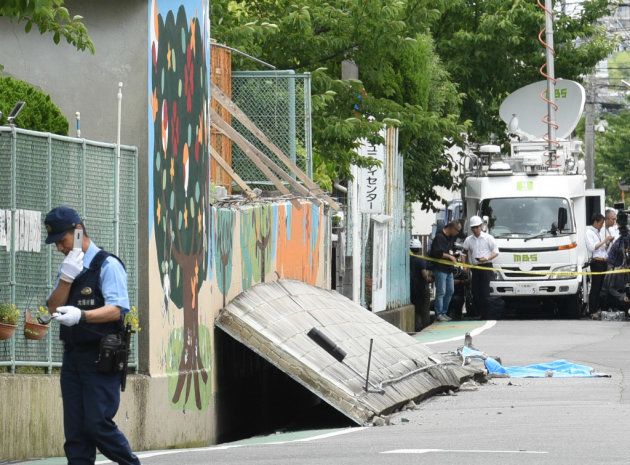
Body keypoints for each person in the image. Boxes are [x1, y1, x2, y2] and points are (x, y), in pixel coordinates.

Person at [44, 206, 140, 465]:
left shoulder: (107, 265)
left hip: (100, 358)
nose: (59, 248)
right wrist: (66, 278)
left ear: (77, 232)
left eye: (62, 241)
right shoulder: (69, 268)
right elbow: (52, 307)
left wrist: (82, 315)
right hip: (73, 359)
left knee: (97, 424)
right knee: (75, 434)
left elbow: (117, 309)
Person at [462, 215, 499, 320]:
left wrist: (486, 258)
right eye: (473, 227)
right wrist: (465, 266)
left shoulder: (488, 238)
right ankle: (478, 313)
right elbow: (463, 253)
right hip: (475, 267)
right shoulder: (468, 240)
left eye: (477, 227)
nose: (475, 229)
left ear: (481, 226)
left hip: (486, 266)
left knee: (485, 291)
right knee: (475, 291)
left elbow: (496, 252)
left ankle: (486, 314)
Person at [430, 220, 462, 322]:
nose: (457, 233)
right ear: (452, 228)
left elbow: (450, 250)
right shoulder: (439, 237)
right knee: (441, 291)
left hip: (449, 269)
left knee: (450, 291)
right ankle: (438, 313)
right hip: (440, 268)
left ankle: (444, 312)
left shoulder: (451, 238)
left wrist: (454, 255)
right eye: (457, 230)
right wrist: (449, 256)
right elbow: (435, 253)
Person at [585, 212, 613, 319]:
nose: (602, 225)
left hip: (602, 261)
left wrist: (608, 243)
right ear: (595, 222)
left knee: (600, 287)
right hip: (596, 262)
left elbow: (601, 249)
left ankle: (597, 308)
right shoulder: (589, 232)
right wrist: (604, 241)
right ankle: (592, 310)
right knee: (595, 287)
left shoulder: (597, 232)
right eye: (601, 223)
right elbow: (592, 248)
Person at [409, 238, 433, 330]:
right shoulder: (421, 260)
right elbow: (425, 276)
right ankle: (425, 327)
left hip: (412, 288)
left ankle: (416, 326)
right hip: (422, 288)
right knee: (424, 309)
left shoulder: (408, 259)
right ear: (419, 248)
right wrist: (430, 278)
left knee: (416, 309)